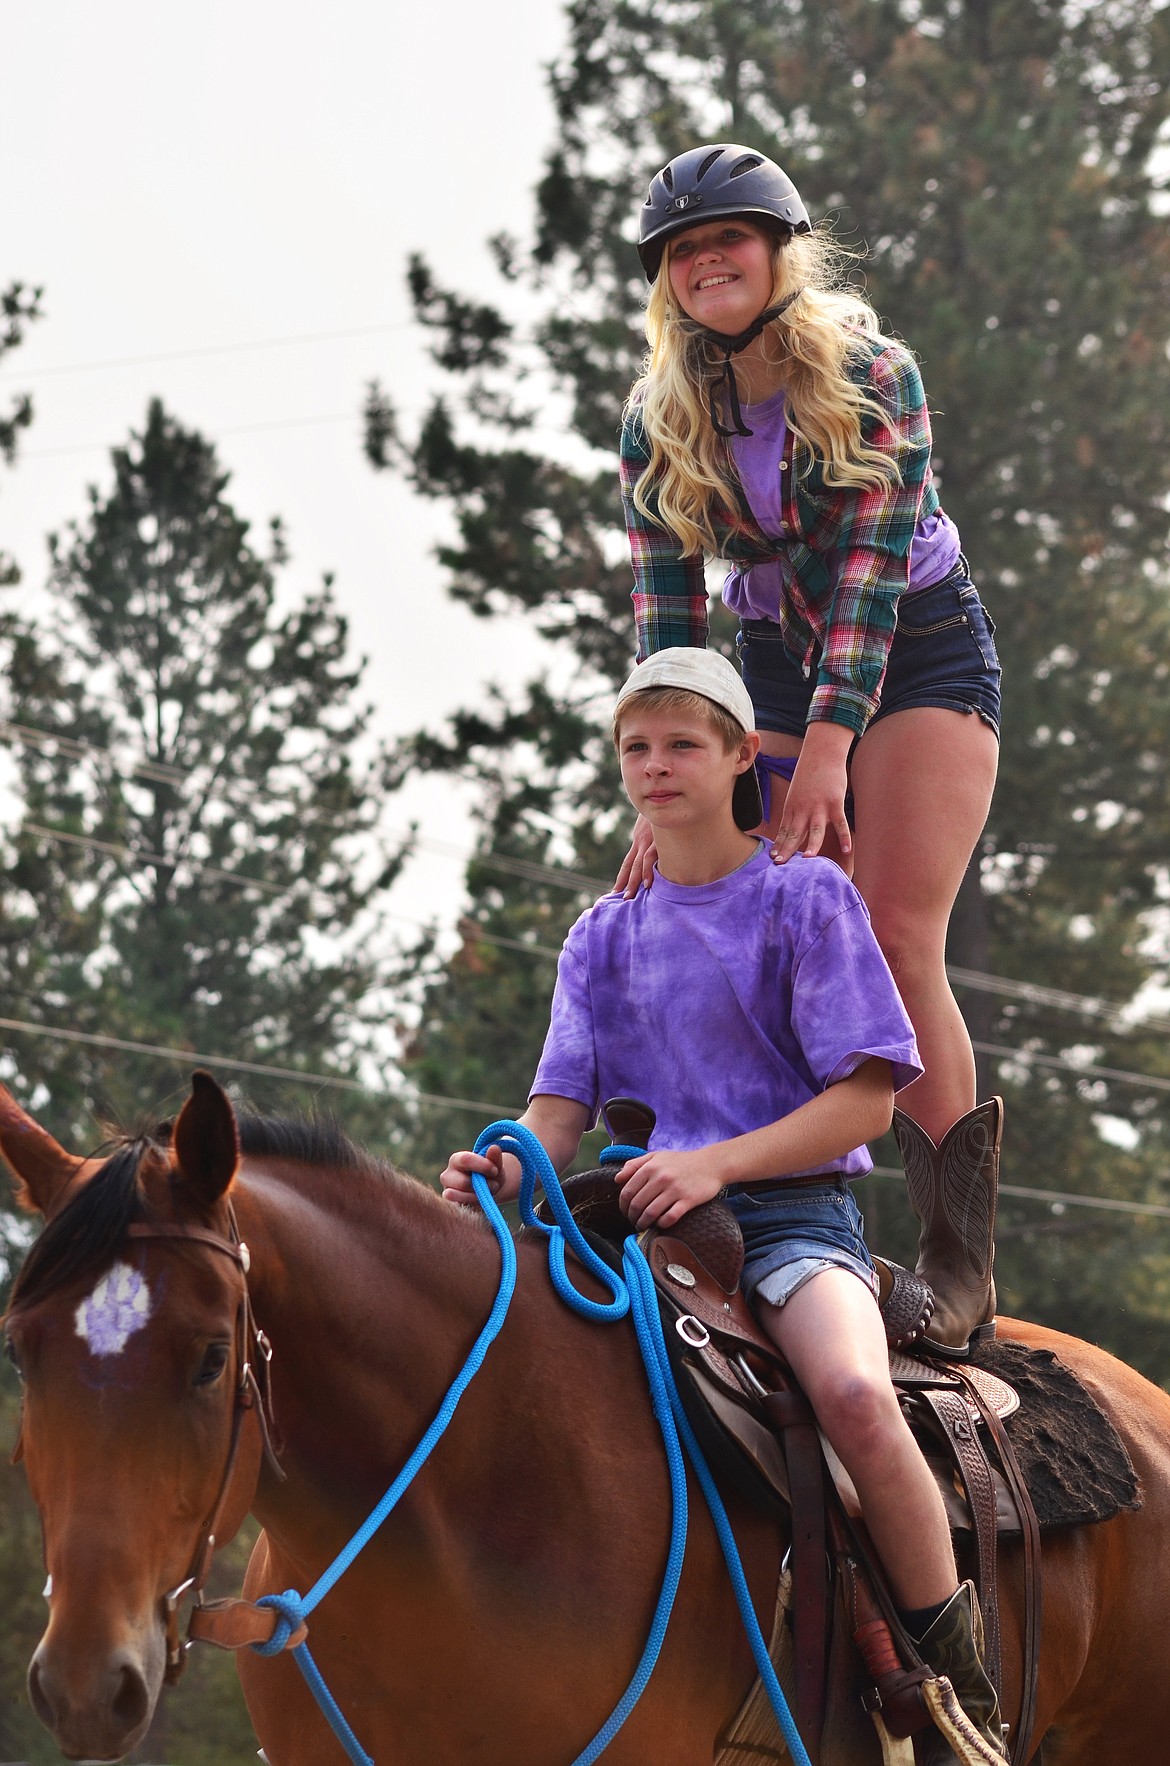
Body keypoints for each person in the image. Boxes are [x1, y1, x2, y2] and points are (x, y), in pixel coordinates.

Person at [441, 648, 1006, 1761]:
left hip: (795, 1220)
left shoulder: (806, 897)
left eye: (682, 744)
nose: (655, 768)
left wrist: (717, 1165)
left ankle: (956, 1682)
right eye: (636, 749)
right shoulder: (603, 932)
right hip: (632, 1225)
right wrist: (503, 1172)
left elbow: (861, 1101)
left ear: (746, 754)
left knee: (849, 1388)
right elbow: (557, 1111)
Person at [617, 143, 1003, 1361]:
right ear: (667, 282)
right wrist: (664, 784)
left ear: (782, 252)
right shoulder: (658, 420)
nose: (707, 261)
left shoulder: (876, 374)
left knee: (889, 927)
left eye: (728, 238)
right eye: (684, 251)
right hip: (770, 656)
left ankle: (957, 1254)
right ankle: (754, 1205)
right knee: (732, 904)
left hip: (920, 643)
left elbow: (873, 584)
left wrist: (832, 746)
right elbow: (669, 621)